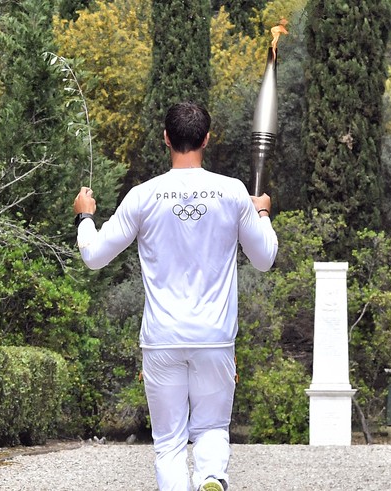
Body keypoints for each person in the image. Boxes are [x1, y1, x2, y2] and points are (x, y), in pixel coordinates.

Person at [72, 101, 278, 491]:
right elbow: (265, 259)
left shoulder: (143, 195)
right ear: (207, 138)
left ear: (166, 138)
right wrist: (262, 212)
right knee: (213, 427)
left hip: (162, 339)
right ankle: (211, 477)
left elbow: (94, 256)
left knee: (168, 444)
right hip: (215, 338)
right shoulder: (233, 192)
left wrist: (85, 216)